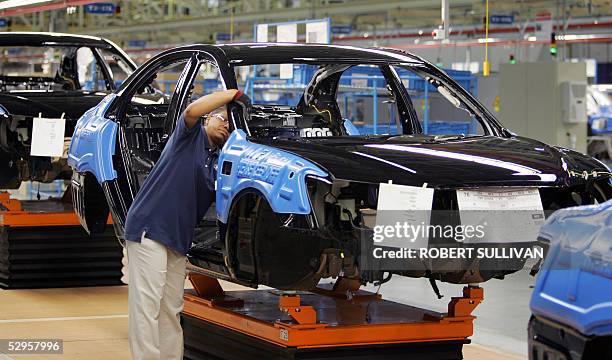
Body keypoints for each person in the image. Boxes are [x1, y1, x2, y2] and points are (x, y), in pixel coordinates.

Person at [123, 89, 251, 360]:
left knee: (171, 308)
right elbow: (192, 110)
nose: (226, 126)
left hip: (177, 240)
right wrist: (233, 94)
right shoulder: (188, 136)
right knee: (147, 307)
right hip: (150, 229)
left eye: (232, 124)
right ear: (209, 118)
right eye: (222, 119)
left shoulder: (220, 161)